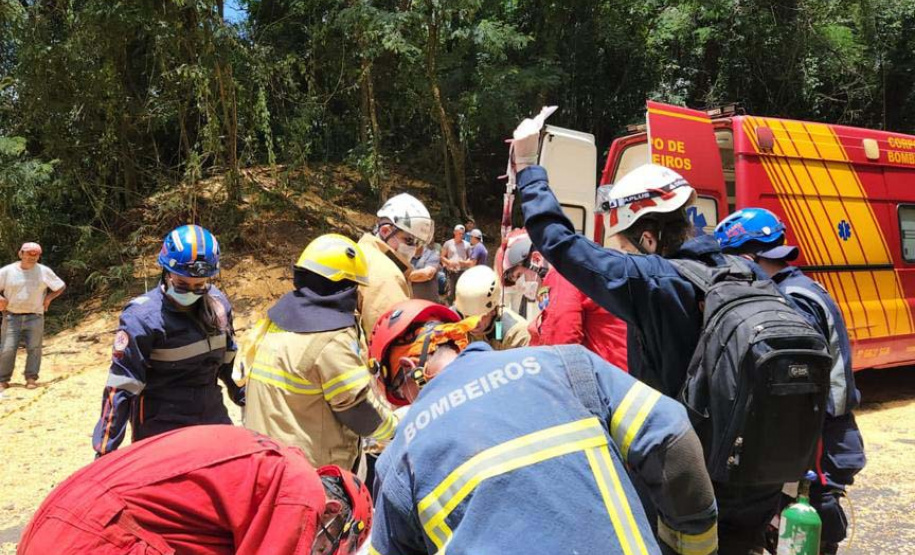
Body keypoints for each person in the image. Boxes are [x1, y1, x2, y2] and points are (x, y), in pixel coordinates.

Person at [510, 132, 806, 553]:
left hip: (694, 477)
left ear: (648, 238)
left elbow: (560, 243)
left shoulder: (656, 282)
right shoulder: (747, 272)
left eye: (627, 244)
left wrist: (529, 172)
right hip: (759, 476)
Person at [366, 300, 718, 555]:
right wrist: (691, 548)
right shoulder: (566, 364)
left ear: (412, 368)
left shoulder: (401, 454)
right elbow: (672, 439)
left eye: (401, 393)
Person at [715, 208, 867, 555]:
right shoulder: (800, 288)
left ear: (747, 257)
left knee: (805, 538)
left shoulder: (791, 301)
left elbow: (793, 389)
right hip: (820, 438)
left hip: (817, 443)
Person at [20, 425, 372, 555]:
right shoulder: (299, 490)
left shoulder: (266, 461)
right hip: (103, 535)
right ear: (332, 512)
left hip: (64, 519)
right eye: (325, 548)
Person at [243, 234, 398, 469]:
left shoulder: (274, 322)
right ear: (345, 288)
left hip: (264, 461)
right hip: (311, 476)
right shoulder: (331, 340)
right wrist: (397, 427)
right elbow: (358, 411)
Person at [92, 225, 244, 457]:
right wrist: (104, 451)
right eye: (182, 285)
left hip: (211, 413)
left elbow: (228, 363)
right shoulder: (142, 319)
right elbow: (121, 387)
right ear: (165, 272)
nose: (191, 292)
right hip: (161, 423)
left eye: (200, 285)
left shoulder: (218, 306)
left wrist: (244, 398)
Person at [502, 230, 628, 370]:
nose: (520, 285)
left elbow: (560, 343)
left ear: (536, 259)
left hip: (611, 374)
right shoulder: (572, 266)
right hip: (619, 368)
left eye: (518, 275)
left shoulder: (561, 275)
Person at [357, 193, 434, 337]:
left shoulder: (364, 252)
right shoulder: (386, 273)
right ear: (385, 231)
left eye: (418, 243)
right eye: (409, 240)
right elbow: (392, 337)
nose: (414, 248)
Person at [0, 242, 66, 390]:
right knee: (7, 348)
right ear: (20, 254)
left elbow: (60, 286)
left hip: (35, 315)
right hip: (11, 316)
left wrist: (48, 298)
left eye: (36, 254)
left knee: (34, 348)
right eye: (29, 253)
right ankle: (3, 379)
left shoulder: (44, 271)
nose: (32, 257)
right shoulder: (7, 271)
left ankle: (31, 378)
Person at [454, 265, 530, 350]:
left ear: (493, 309)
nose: (473, 323)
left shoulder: (515, 334)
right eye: (467, 315)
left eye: (478, 315)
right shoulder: (455, 319)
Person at [441, 225, 470, 303]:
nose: (461, 235)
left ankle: (460, 312)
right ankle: (450, 310)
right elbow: (442, 256)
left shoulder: (467, 244)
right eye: (459, 233)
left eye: (463, 234)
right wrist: (448, 262)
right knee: (451, 293)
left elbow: (470, 258)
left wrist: (465, 262)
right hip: (451, 272)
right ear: (454, 233)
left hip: (463, 272)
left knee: (462, 293)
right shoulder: (448, 243)